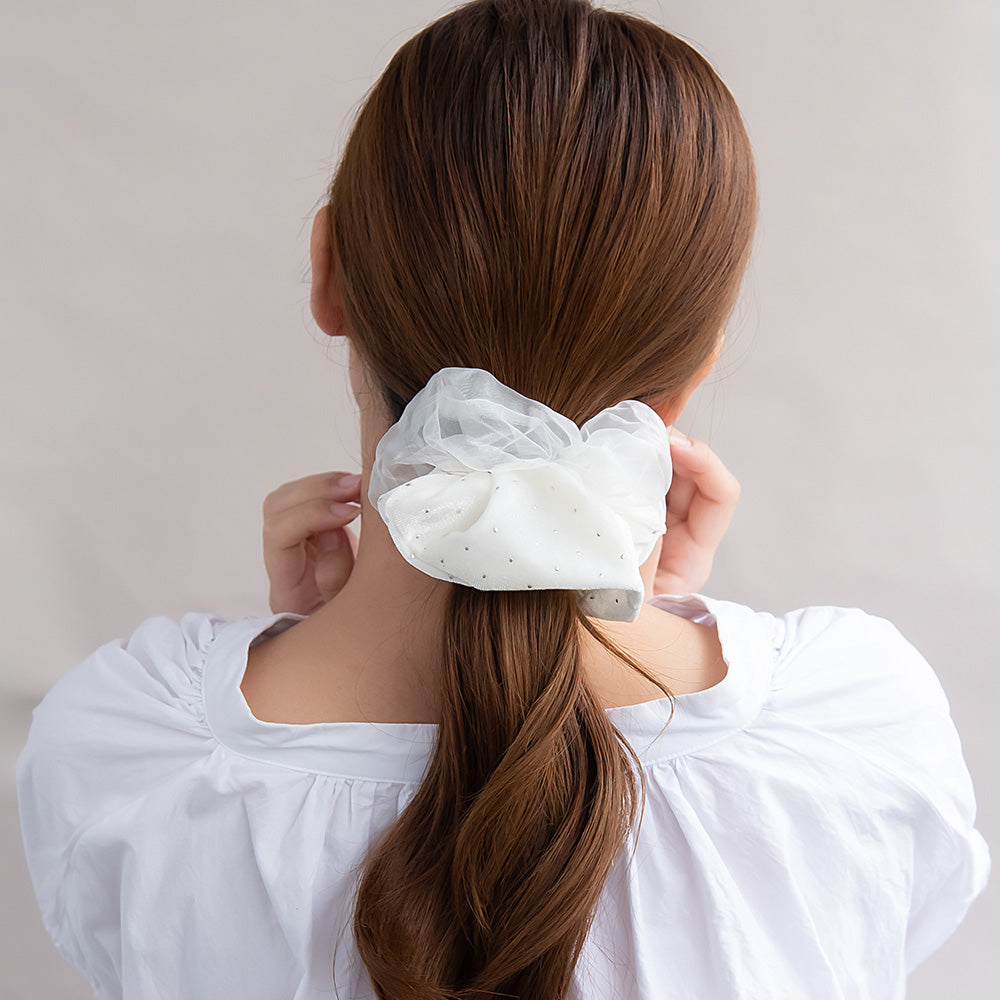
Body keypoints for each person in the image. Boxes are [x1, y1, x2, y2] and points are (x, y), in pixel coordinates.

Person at [15, 1, 990, 998]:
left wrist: (317, 643)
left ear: (328, 274)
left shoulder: (135, 752)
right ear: (700, 358)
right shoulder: (852, 731)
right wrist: (637, 604)